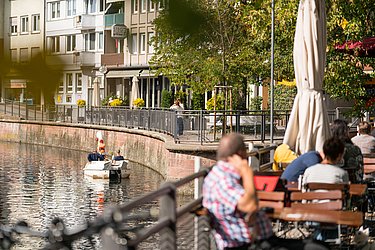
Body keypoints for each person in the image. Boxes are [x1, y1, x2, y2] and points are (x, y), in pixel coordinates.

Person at [202, 133, 329, 250]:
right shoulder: (223, 178)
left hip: (262, 240)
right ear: (240, 154)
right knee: (319, 248)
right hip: (249, 244)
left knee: (319, 246)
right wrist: (247, 172)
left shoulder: (228, 175)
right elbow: (249, 206)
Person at [331, 119, 363, 183]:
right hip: (354, 184)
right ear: (346, 131)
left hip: (333, 184)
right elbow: (360, 172)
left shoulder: (329, 148)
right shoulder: (355, 149)